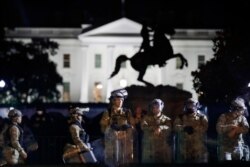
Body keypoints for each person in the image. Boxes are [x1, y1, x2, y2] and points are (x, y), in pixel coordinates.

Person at [100, 88, 135, 167]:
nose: (120, 102)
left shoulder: (127, 112)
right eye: (118, 100)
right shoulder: (108, 112)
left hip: (125, 143)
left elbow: (133, 127)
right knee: (112, 161)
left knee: (125, 161)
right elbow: (103, 128)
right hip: (112, 143)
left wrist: (128, 128)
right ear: (113, 101)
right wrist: (111, 129)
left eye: (121, 100)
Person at [173, 98, 208, 163]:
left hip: (198, 149)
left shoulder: (202, 117)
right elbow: (175, 127)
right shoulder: (180, 117)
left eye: (192, 104)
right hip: (184, 150)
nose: (190, 106)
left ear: (197, 105)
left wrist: (194, 128)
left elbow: (205, 127)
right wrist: (184, 128)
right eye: (188, 104)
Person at [141, 99, 172, 163]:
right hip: (150, 148)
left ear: (161, 107)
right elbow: (143, 126)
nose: (155, 108)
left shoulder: (166, 119)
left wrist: (161, 127)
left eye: (157, 107)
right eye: (153, 107)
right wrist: (153, 128)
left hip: (162, 148)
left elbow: (169, 127)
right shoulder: (146, 118)